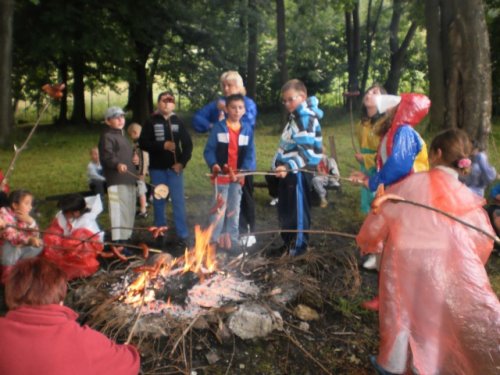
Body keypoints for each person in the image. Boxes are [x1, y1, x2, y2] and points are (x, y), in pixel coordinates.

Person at [356, 128, 500, 375]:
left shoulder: (409, 186)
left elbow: (382, 215)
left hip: (403, 260)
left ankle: (391, 364)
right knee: (432, 318)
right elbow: (480, 238)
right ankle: (427, 368)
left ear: (436, 154)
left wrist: (369, 241)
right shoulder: (467, 197)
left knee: (398, 310)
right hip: (441, 264)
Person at [350, 93, 430, 300]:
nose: (387, 108)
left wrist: (373, 182)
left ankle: (398, 300)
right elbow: (385, 163)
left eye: (394, 106)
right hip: (396, 195)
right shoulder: (395, 132)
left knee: (396, 248)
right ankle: (387, 297)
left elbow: (399, 166)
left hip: (406, 197)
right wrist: (369, 176)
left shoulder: (404, 132)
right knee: (388, 245)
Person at [0, 257, 140, 374]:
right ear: (61, 298)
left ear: (10, 295)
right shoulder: (86, 342)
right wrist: (129, 349)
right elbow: (130, 363)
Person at [193, 71, 258, 247]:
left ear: (239, 86)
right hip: (221, 170)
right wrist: (212, 125)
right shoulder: (219, 106)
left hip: (241, 169)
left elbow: (249, 126)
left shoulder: (247, 105)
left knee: (241, 201)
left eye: (230, 85)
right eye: (224, 85)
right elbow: (197, 121)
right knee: (220, 204)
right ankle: (218, 238)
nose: (226, 88)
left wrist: (244, 170)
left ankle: (243, 234)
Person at [273, 79, 323, 256]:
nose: (287, 104)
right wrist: (278, 163)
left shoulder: (305, 118)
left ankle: (298, 248)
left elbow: (306, 153)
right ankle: (288, 243)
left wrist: (287, 166)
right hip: (288, 171)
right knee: (286, 209)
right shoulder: (296, 116)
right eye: (284, 101)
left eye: (290, 99)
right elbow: (287, 145)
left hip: (300, 172)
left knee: (297, 211)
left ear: (302, 97)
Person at [139, 92, 193, 251]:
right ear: (158, 103)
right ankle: (160, 233)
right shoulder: (151, 121)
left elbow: (188, 145)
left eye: (170, 101)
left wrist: (182, 163)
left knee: (178, 202)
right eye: (164, 101)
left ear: (174, 105)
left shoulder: (178, 121)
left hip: (174, 171)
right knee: (159, 202)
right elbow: (143, 143)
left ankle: (182, 235)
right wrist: (162, 146)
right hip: (157, 170)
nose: (167, 104)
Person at [204, 94, 255, 252]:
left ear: (244, 110)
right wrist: (214, 165)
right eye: (233, 107)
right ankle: (212, 241)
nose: (237, 111)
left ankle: (232, 241)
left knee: (234, 210)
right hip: (221, 178)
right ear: (226, 109)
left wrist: (243, 171)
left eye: (240, 108)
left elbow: (249, 155)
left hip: (237, 178)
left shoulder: (247, 130)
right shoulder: (219, 128)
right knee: (218, 210)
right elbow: (209, 151)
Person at [98, 106, 137, 246]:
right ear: (108, 121)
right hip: (116, 180)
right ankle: (118, 242)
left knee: (128, 210)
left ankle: (126, 239)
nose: (121, 120)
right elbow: (107, 156)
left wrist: (135, 160)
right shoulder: (107, 136)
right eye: (116, 117)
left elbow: (125, 154)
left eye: (122, 116)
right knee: (118, 211)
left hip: (129, 178)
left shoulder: (122, 135)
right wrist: (117, 164)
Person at [42, 194, 104, 280]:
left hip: (81, 254)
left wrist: (61, 245)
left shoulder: (87, 224)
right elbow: (54, 231)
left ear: (76, 212)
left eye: (65, 212)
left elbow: (76, 245)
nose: (63, 213)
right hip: (65, 248)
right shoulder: (63, 216)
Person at [355, 84, 387, 214]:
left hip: (379, 166)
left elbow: (385, 153)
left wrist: (366, 158)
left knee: (377, 197)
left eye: (375, 92)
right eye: (368, 91)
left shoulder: (384, 124)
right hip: (365, 165)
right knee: (367, 192)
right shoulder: (361, 124)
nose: (368, 94)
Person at [0, 189, 42, 283]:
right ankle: (7, 277)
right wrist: (29, 240)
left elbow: (35, 235)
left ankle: (19, 265)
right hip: (5, 247)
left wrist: (31, 222)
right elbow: (10, 235)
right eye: (27, 204)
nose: (30, 207)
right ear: (15, 205)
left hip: (20, 244)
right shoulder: (3, 214)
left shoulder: (24, 215)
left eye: (31, 204)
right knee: (11, 246)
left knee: (40, 244)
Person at [127, 123, 150, 219]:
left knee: (141, 191)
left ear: (135, 133)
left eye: (130, 135)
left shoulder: (140, 145)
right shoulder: (138, 144)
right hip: (138, 172)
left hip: (139, 173)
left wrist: (142, 173)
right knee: (140, 190)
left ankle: (143, 210)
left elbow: (144, 159)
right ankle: (142, 207)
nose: (130, 137)